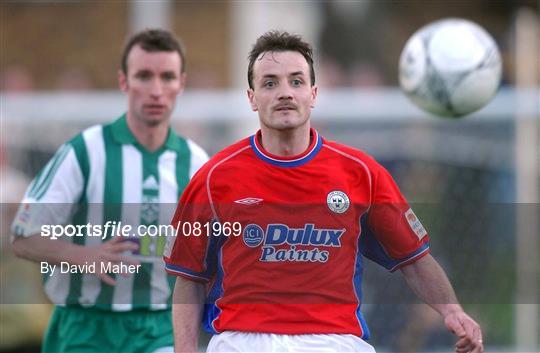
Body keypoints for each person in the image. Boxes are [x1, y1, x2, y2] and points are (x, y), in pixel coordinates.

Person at [164, 31, 483, 353]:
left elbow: (414, 259)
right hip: (244, 341)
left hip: (334, 342)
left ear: (313, 93)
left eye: (296, 81)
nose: (285, 93)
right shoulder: (213, 178)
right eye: (270, 83)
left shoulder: (362, 173)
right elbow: (189, 277)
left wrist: (451, 309)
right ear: (251, 97)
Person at [11, 29, 209, 353]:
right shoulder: (84, 152)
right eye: (144, 76)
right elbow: (22, 236)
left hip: (158, 329)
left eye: (167, 77)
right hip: (85, 327)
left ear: (181, 84)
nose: (156, 90)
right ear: (123, 82)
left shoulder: (196, 164)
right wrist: (85, 256)